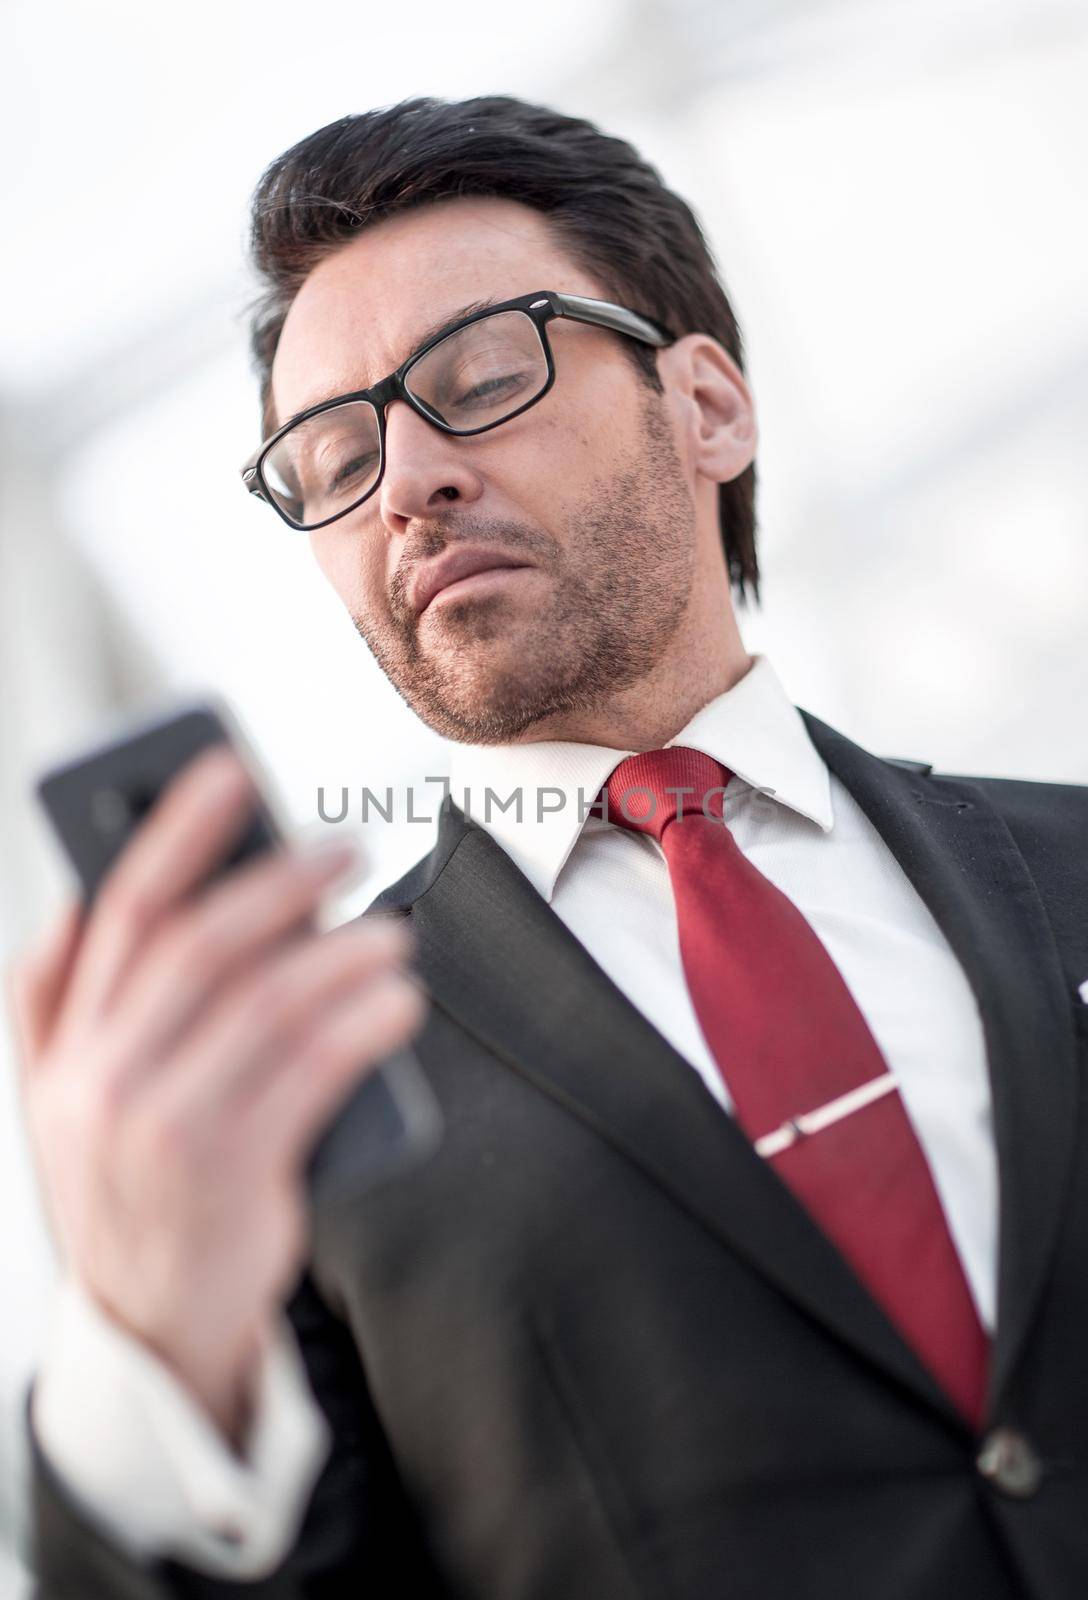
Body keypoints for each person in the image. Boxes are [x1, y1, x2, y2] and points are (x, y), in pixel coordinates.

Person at [9, 95, 1088, 1600]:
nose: (406, 483)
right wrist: (145, 1362)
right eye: (332, 455)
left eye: (480, 373)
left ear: (707, 406)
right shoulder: (301, 1094)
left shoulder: (1074, 869)